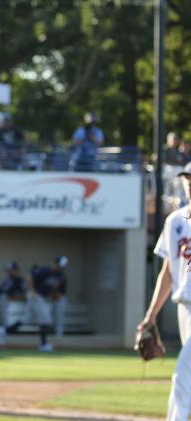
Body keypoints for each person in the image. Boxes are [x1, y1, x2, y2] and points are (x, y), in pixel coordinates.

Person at [139, 161, 191, 421]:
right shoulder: (175, 221)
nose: (190, 183)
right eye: (187, 179)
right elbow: (168, 272)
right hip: (184, 307)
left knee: (183, 377)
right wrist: (151, 315)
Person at [26, 256, 69, 352]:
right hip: (36, 295)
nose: (60, 267)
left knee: (31, 320)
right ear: (54, 263)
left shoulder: (60, 276)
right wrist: (32, 291)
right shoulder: (45, 270)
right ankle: (43, 345)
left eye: (62, 266)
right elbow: (29, 277)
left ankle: (43, 344)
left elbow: (57, 292)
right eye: (58, 265)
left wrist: (55, 294)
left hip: (44, 298)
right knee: (46, 320)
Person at [0, 261, 27, 345]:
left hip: (6, 301)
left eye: (11, 270)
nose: (9, 272)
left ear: (16, 270)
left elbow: (24, 294)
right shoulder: (7, 280)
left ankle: (3, 340)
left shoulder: (19, 280)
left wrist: (13, 298)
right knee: (0, 321)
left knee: (3, 321)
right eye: (8, 270)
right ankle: (0, 339)